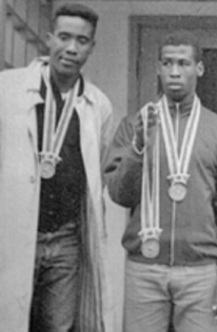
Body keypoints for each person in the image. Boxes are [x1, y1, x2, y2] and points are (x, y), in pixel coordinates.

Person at [104, 30, 217, 332]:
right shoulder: (134, 125)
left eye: (183, 63)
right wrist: (138, 148)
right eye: (167, 63)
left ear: (199, 69)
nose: (174, 72)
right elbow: (119, 194)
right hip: (144, 267)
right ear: (157, 68)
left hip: (200, 272)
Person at [0, 3, 114, 332]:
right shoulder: (7, 89)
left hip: (65, 241)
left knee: (58, 327)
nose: (71, 48)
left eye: (82, 40)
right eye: (64, 37)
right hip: (14, 234)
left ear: (91, 47)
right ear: (49, 38)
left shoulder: (99, 105)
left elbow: (96, 172)